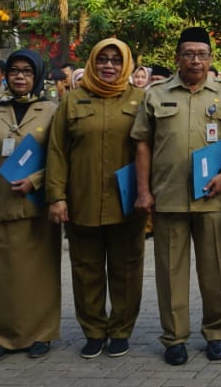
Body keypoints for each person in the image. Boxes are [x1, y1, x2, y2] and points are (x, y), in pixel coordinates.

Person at [132, 27, 221, 366]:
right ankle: (174, 337)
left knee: (215, 269)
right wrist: (144, 191)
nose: (196, 60)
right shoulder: (155, 94)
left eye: (202, 54)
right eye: (189, 54)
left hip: (211, 195)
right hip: (169, 196)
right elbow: (142, 144)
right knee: (169, 270)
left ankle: (217, 332)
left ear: (211, 59)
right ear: (177, 58)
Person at [46, 38, 147, 359]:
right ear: (91, 62)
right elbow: (58, 151)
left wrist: (149, 194)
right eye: (102, 59)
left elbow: (153, 151)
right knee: (86, 269)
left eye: (116, 61)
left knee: (126, 269)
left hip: (127, 202)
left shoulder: (142, 100)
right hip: (82, 199)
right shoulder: (72, 101)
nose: (108, 66)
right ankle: (93, 330)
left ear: (127, 65)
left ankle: (120, 330)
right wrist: (57, 197)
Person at [0, 49, 61, 362]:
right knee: (0, 276)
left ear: (37, 76)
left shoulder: (51, 111)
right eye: (14, 71)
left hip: (37, 206)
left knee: (40, 275)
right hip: (0, 205)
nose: (20, 76)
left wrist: (36, 180)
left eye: (27, 71)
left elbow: (61, 159)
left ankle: (41, 334)